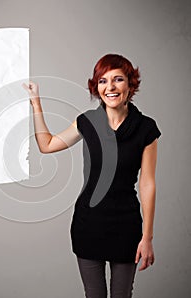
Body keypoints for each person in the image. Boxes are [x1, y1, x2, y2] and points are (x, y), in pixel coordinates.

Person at [22, 54, 161, 298]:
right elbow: (47, 144)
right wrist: (36, 103)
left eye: (118, 79)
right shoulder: (87, 122)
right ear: (96, 87)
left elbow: (147, 183)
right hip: (89, 225)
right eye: (103, 81)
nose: (110, 87)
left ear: (130, 84)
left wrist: (147, 237)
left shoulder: (146, 128)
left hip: (127, 227)